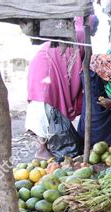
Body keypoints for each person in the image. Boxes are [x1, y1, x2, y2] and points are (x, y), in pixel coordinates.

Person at [25, 16, 99, 159]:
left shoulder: (73, 30)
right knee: (49, 108)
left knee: (44, 106)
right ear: (90, 25)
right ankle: (42, 150)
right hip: (49, 71)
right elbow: (79, 65)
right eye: (95, 27)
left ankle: (43, 147)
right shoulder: (82, 34)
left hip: (40, 68)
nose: (95, 31)